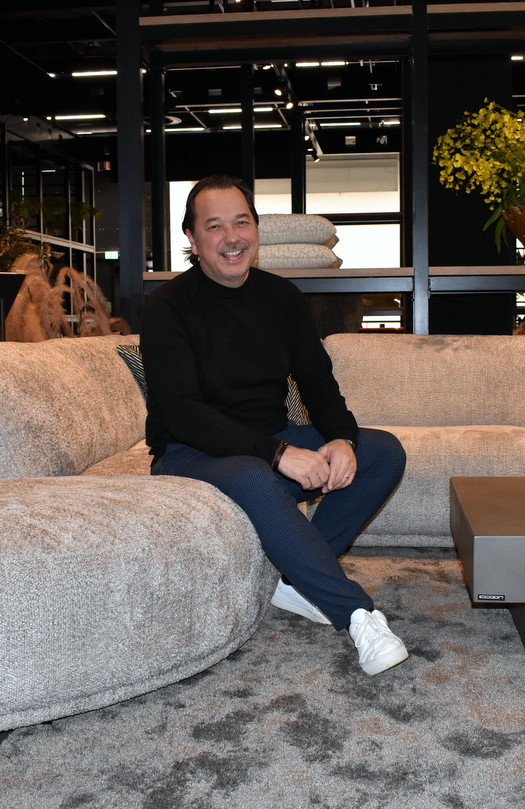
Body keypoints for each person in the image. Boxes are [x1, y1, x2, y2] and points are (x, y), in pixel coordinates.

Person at [140, 175, 410, 676]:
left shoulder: (282, 297)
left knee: (383, 452)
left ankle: (294, 581)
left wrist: (341, 439)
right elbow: (183, 413)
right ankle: (356, 614)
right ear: (193, 239)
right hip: (189, 452)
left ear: (257, 231)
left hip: (266, 444)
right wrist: (279, 454)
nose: (232, 237)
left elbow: (318, 382)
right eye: (214, 226)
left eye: (242, 222)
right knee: (255, 477)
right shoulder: (166, 307)